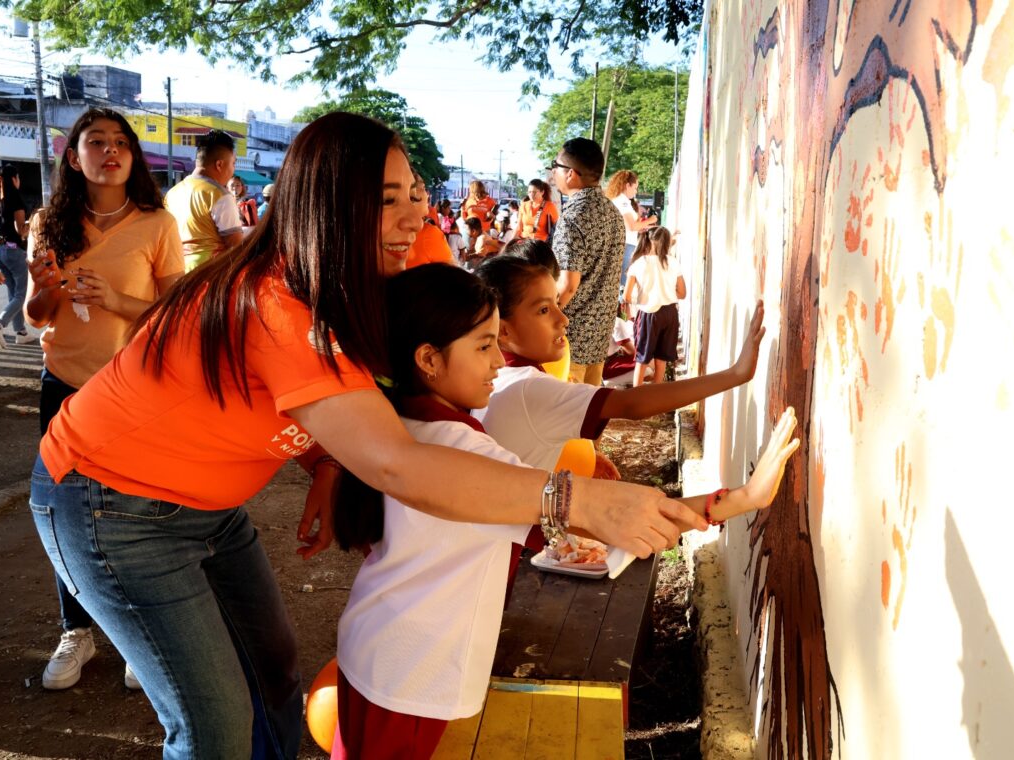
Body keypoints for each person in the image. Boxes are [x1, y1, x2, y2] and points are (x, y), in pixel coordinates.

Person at [28, 111, 704, 758]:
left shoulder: (339, 290)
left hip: (203, 508)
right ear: (325, 208)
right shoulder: (280, 306)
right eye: (386, 200)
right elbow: (399, 464)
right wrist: (577, 503)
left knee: (274, 678)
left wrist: (325, 465)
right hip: (108, 506)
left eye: (413, 193)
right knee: (214, 725)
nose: (414, 214)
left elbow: (334, 412)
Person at [331, 262, 799, 759]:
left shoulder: (399, 426)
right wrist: (741, 500)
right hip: (407, 671)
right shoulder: (459, 446)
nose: (496, 361)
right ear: (428, 358)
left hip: (384, 650)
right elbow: (609, 512)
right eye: (484, 346)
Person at [24, 107, 185, 692]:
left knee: (136, 514)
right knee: (64, 516)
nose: (111, 151)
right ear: (74, 157)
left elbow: (176, 321)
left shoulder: (157, 224)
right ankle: (77, 629)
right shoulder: (48, 222)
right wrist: (43, 291)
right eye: (97, 142)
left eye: (122, 142)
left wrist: (116, 299)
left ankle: (135, 637)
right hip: (63, 387)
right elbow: (33, 316)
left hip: (134, 390)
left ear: (134, 157)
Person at [476, 253, 761, 474]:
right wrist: (735, 374)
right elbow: (631, 404)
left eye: (556, 305)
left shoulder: (496, 379)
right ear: (503, 329)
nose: (563, 319)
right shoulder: (530, 388)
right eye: (543, 310)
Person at [550, 138, 625, 386]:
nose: (553, 172)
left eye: (555, 165)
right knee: (587, 417)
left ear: (570, 174)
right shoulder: (612, 213)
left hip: (571, 340)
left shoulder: (572, 217)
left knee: (564, 419)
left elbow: (567, 285)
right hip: (599, 336)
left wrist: (546, 318)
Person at [164, 129, 243, 272]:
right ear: (219, 165)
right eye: (233, 163)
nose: (233, 169)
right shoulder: (219, 195)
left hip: (176, 273)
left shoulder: (172, 194)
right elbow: (236, 247)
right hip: (209, 274)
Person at [623, 226, 686, 387]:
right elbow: (682, 293)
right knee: (661, 359)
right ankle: (656, 400)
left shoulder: (638, 263)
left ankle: (637, 398)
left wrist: (642, 297)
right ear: (667, 243)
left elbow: (627, 296)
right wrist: (666, 293)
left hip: (648, 314)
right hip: (670, 313)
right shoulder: (673, 262)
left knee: (642, 359)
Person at [0, 165, 34, 348]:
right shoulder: (15, 197)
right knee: (21, 294)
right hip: (15, 251)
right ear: (14, 179)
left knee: (14, 293)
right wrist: (30, 226)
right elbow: (21, 230)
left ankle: (21, 332)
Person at [605, 170, 657, 286]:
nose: (636, 191)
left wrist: (642, 226)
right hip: (625, 245)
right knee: (624, 283)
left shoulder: (622, 201)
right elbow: (632, 226)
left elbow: (630, 226)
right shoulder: (621, 201)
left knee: (624, 281)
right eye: (635, 187)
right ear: (627, 185)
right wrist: (651, 220)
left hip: (625, 244)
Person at [405, 172, 455, 268]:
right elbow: (453, 276)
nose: (427, 194)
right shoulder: (428, 233)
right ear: (411, 194)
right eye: (423, 188)